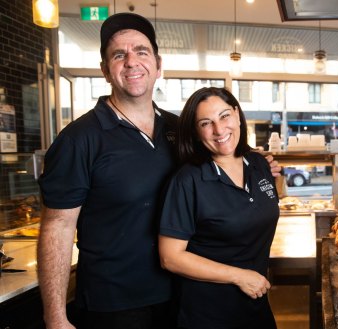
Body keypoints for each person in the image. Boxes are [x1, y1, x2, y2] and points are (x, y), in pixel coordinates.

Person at [37, 13, 279, 329]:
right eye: (118, 55)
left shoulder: (179, 129)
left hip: (181, 296)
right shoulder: (79, 139)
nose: (131, 62)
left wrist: (259, 164)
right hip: (115, 304)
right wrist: (55, 316)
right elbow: (57, 226)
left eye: (141, 51)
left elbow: (222, 159)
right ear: (105, 71)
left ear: (158, 65)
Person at [158, 87, 279, 329]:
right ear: (195, 131)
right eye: (206, 123)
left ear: (236, 114)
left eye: (224, 116)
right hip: (207, 313)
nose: (219, 129)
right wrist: (239, 276)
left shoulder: (258, 163)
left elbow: (262, 207)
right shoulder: (188, 180)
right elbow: (170, 258)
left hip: (255, 306)